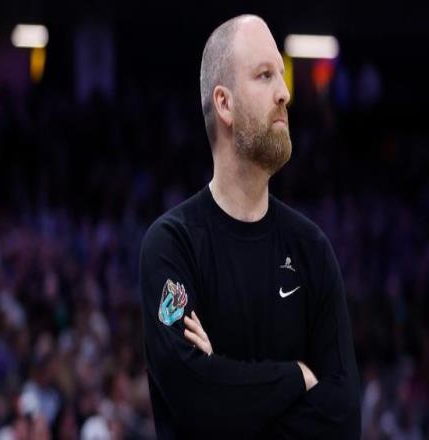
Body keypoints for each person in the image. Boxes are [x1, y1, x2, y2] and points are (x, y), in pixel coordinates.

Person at [139, 14, 361, 439]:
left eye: (281, 74)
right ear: (224, 104)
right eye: (264, 75)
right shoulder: (172, 244)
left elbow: (343, 419)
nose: (285, 92)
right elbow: (191, 393)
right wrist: (296, 377)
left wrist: (223, 387)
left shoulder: (311, 248)